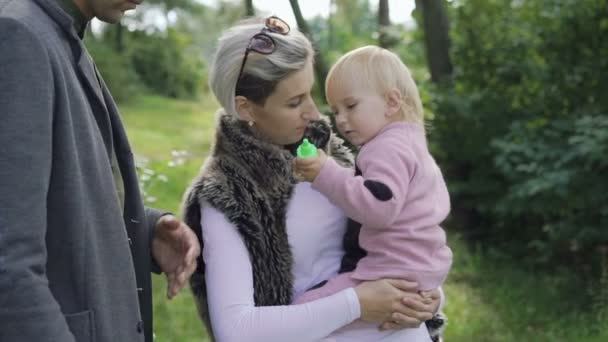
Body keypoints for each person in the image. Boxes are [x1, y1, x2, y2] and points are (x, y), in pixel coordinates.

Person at [182, 16, 446, 342]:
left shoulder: (333, 152)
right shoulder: (229, 194)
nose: (313, 113)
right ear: (246, 108)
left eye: (309, 93)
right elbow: (236, 331)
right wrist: (356, 304)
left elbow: (401, 235)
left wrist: (428, 296)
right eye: (294, 102)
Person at [0, 1, 200, 341]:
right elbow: (9, 265)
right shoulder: (19, 36)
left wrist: (143, 227)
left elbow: (49, 197)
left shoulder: (58, 33)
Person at [293, 46, 453, 305]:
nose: (341, 120)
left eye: (351, 106)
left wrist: (325, 173)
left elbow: (379, 206)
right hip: (422, 266)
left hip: (392, 271)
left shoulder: (385, 148)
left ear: (391, 102)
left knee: (306, 308)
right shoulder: (410, 141)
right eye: (335, 111)